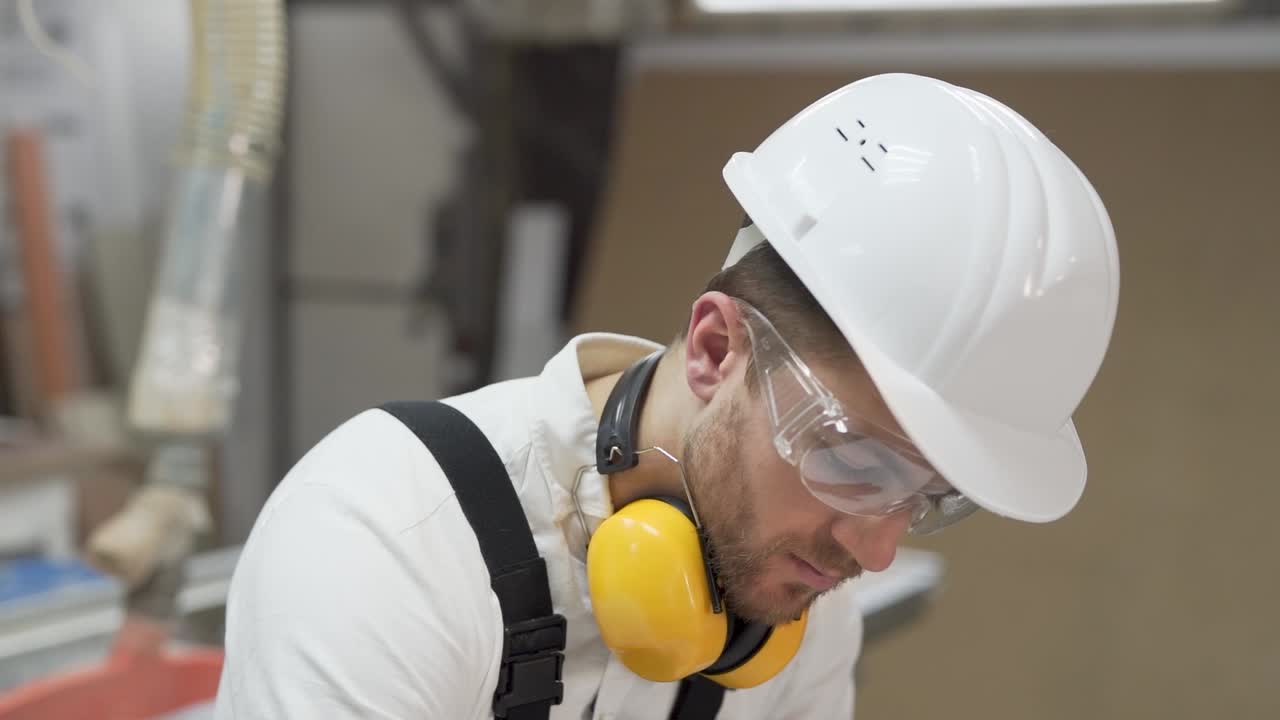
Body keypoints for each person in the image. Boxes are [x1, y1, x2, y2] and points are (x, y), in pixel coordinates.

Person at [213, 73, 1119, 719]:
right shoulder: (388, 547)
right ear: (718, 349)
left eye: (927, 499)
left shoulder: (796, 595)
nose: (875, 551)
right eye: (852, 458)